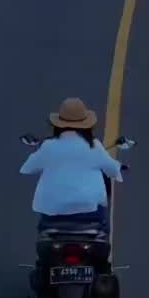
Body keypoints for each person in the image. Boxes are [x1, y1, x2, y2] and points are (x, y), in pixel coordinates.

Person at [20, 96, 122, 231]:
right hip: (89, 213)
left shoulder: (48, 146)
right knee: (104, 227)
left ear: (57, 125)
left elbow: (27, 169)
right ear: (88, 125)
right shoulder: (94, 146)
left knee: (42, 231)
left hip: (53, 214)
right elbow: (113, 170)